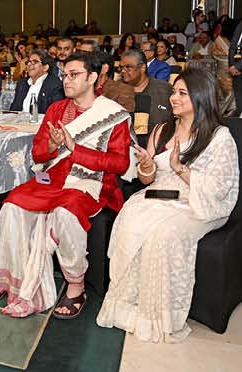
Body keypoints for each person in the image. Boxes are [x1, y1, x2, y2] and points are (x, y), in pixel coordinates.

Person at [0, 53, 132, 319]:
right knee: (12, 204)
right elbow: (38, 155)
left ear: (93, 77)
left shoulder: (113, 114)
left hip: (91, 182)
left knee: (66, 212)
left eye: (74, 74)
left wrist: (76, 149)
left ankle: (76, 286)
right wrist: (52, 145)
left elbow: (119, 164)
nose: (66, 80)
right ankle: (9, 276)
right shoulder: (57, 109)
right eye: (65, 75)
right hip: (54, 178)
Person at [97, 68, 239, 343]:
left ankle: (159, 315)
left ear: (201, 97)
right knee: (130, 218)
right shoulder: (163, 130)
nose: (173, 98)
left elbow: (218, 188)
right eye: (174, 92)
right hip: (161, 196)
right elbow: (146, 178)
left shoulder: (218, 137)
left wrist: (181, 169)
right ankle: (128, 306)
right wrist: (147, 166)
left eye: (182, 93)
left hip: (200, 204)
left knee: (164, 235)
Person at [120, 50, 173, 136]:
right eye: (121, 67)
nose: (123, 71)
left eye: (128, 67)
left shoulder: (164, 90)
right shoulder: (115, 90)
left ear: (142, 68)